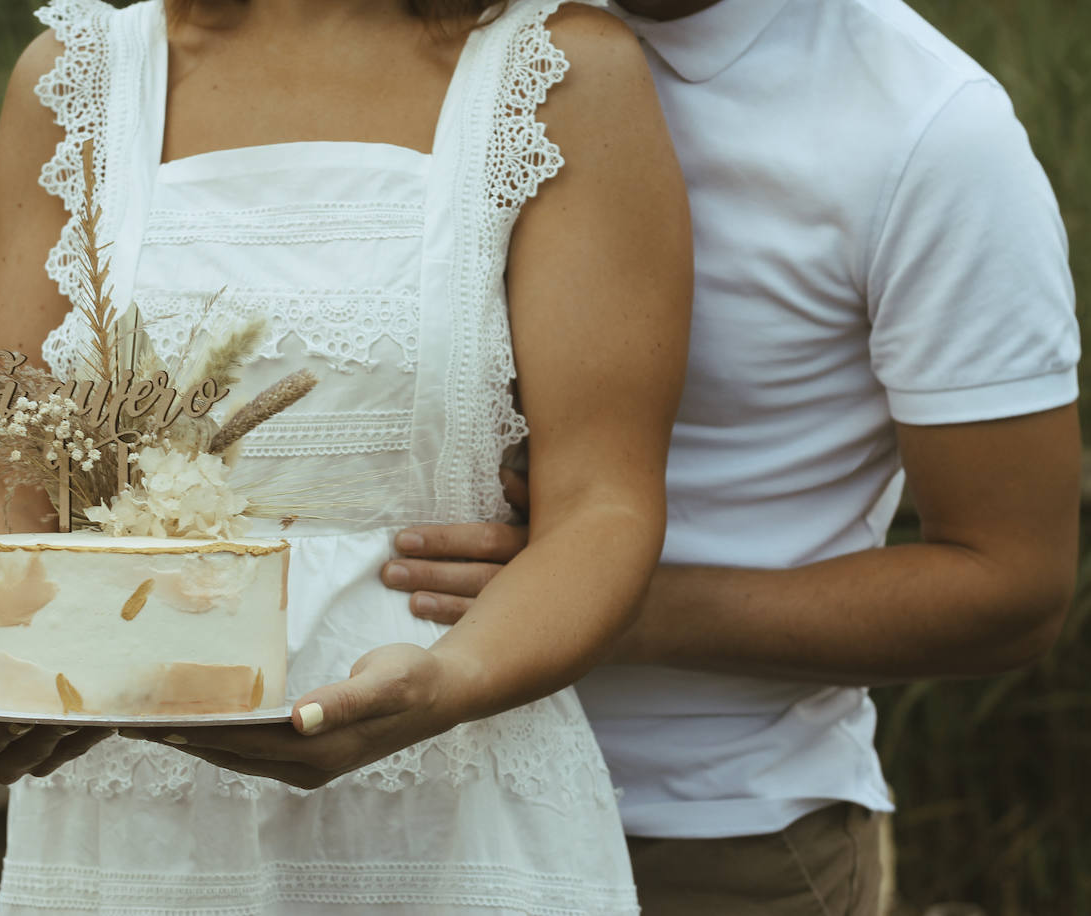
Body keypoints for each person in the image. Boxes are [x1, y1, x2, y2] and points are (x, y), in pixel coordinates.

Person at [0, 0, 691, 911]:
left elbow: (606, 504)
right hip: (133, 811)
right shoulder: (78, 75)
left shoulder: (554, 67)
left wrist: (452, 680)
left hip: (450, 803)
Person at [376, 0, 1082, 912]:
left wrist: (594, 603)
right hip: (391, 799)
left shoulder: (933, 127)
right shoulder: (437, 27)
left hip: (705, 839)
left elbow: (1011, 587)